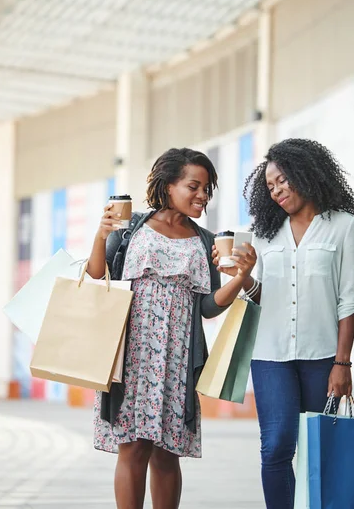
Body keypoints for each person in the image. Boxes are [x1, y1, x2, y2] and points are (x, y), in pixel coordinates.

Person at [87, 147, 256, 509]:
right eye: (194, 186)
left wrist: (241, 277)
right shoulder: (131, 227)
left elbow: (209, 306)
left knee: (168, 451)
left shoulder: (206, 240)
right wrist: (101, 236)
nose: (202, 196)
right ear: (167, 185)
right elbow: (97, 276)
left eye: (207, 189)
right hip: (132, 353)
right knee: (132, 447)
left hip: (178, 357)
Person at [213, 138, 354, 509]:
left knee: (316, 451)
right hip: (270, 354)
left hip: (322, 355)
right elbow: (260, 294)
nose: (277, 190)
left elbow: (349, 300)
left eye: (282, 180)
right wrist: (244, 276)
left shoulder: (342, 227)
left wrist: (342, 364)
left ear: (306, 173)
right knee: (277, 445)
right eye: (270, 186)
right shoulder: (264, 233)